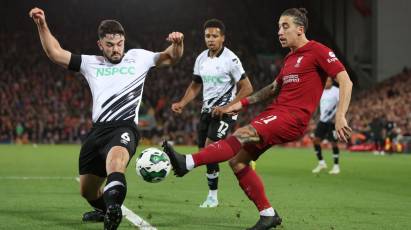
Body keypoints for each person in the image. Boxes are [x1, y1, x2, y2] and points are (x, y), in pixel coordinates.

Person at [163, 8, 352, 230]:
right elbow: (272, 89)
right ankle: (268, 214)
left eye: (285, 26)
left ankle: (188, 163)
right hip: (276, 112)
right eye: (278, 27)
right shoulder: (291, 58)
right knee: (238, 162)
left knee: (241, 134)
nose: (279, 32)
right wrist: (239, 104)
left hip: (291, 117)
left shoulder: (318, 50)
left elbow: (345, 79)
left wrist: (340, 116)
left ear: (300, 29)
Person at [29, 7, 183, 230]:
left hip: (124, 128)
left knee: (115, 164)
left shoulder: (138, 58)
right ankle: (104, 208)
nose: (116, 49)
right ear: (100, 44)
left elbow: (170, 57)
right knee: (88, 191)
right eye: (110, 45)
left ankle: (113, 211)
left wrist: (177, 43)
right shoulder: (90, 63)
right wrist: (41, 24)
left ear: (124, 41)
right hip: (98, 132)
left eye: (119, 43)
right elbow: (55, 52)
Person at [171, 19, 253, 208]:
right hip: (207, 111)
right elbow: (195, 84)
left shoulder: (231, 60)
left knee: (210, 148)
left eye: (215, 36)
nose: (211, 39)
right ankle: (239, 150)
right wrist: (182, 102)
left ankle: (213, 197)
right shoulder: (201, 58)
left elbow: (247, 87)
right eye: (208, 36)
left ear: (223, 38)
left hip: (226, 113)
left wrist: (228, 107)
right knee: (205, 153)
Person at [312, 77, 341, 174]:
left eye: (328, 81)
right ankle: (321, 163)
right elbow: (321, 106)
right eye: (325, 81)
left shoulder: (336, 91)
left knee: (334, 142)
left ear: (332, 82)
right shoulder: (321, 91)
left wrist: (338, 117)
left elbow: (341, 104)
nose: (325, 83)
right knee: (316, 140)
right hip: (322, 120)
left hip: (333, 121)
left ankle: (336, 166)